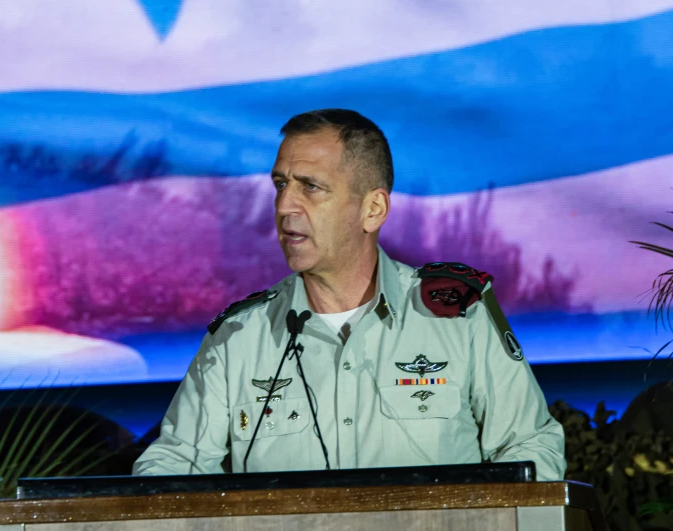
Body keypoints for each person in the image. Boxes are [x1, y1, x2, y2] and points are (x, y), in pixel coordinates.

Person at [132, 109, 566, 480]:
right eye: (281, 185)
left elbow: (531, 448)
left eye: (310, 186)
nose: (284, 206)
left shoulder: (458, 317)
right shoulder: (238, 338)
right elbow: (172, 467)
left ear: (372, 209)